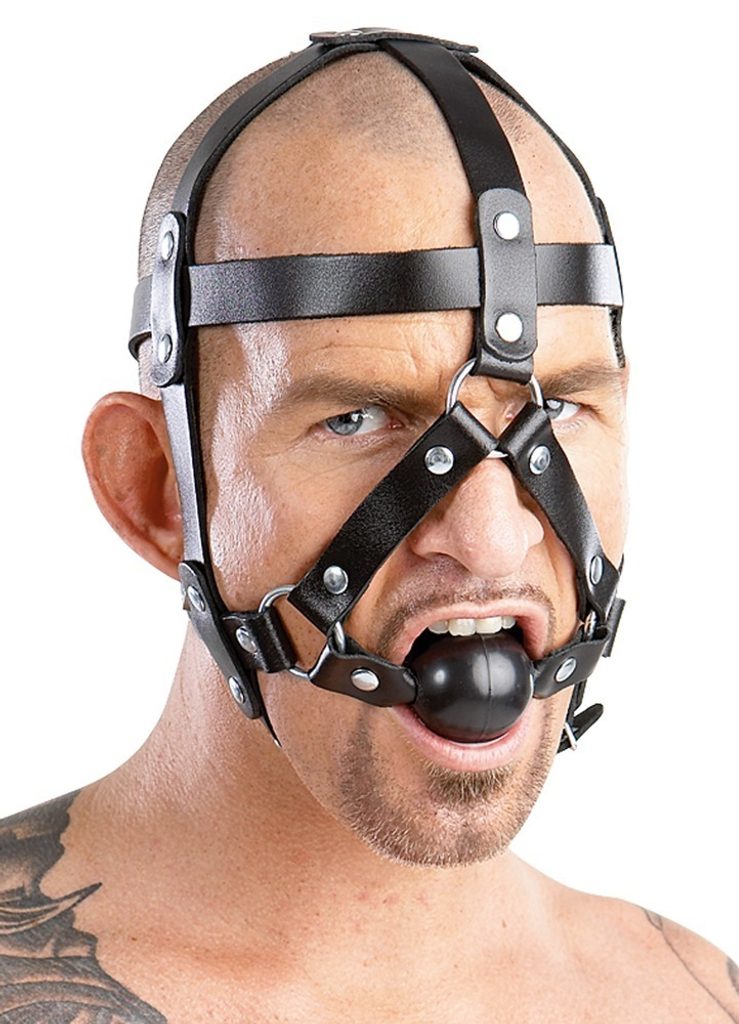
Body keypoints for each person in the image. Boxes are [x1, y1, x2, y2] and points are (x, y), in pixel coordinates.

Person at [1, 28, 736, 1023]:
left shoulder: (685, 998)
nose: (489, 539)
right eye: (356, 418)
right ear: (159, 489)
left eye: (560, 409)